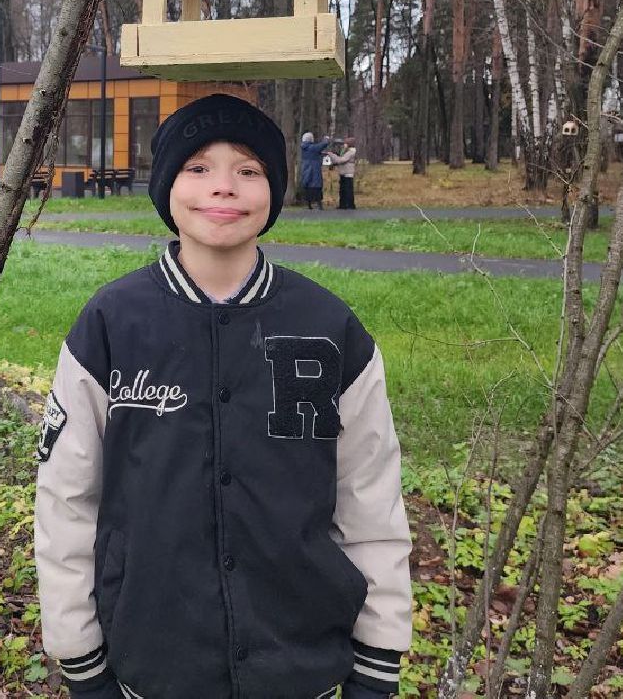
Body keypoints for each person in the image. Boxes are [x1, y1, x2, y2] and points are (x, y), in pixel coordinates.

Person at [35, 94, 411, 699]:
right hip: (154, 660)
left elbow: (370, 500)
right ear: (166, 188)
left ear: (274, 190)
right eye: (198, 168)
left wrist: (379, 654)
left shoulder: (329, 327)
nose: (224, 188)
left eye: (248, 170)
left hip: (299, 661)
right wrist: (79, 655)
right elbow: (66, 500)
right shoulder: (111, 325)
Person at [298, 129, 331, 209]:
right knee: (317, 186)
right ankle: (319, 205)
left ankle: (309, 205)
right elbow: (323, 145)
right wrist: (326, 139)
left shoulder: (304, 148)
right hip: (314, 169)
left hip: (306, 168)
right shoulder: (312, 147)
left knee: (308, 186)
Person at [332, 135, 358, 210]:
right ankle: (343, 204)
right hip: (343, 172)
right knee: (342, 190)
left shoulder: (351, 152)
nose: (344, 145)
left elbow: (342, 160)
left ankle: (350, 205)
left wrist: (332, 155)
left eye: (345, 143)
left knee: (348, 190)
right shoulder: (346, 151)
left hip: (348, 173)